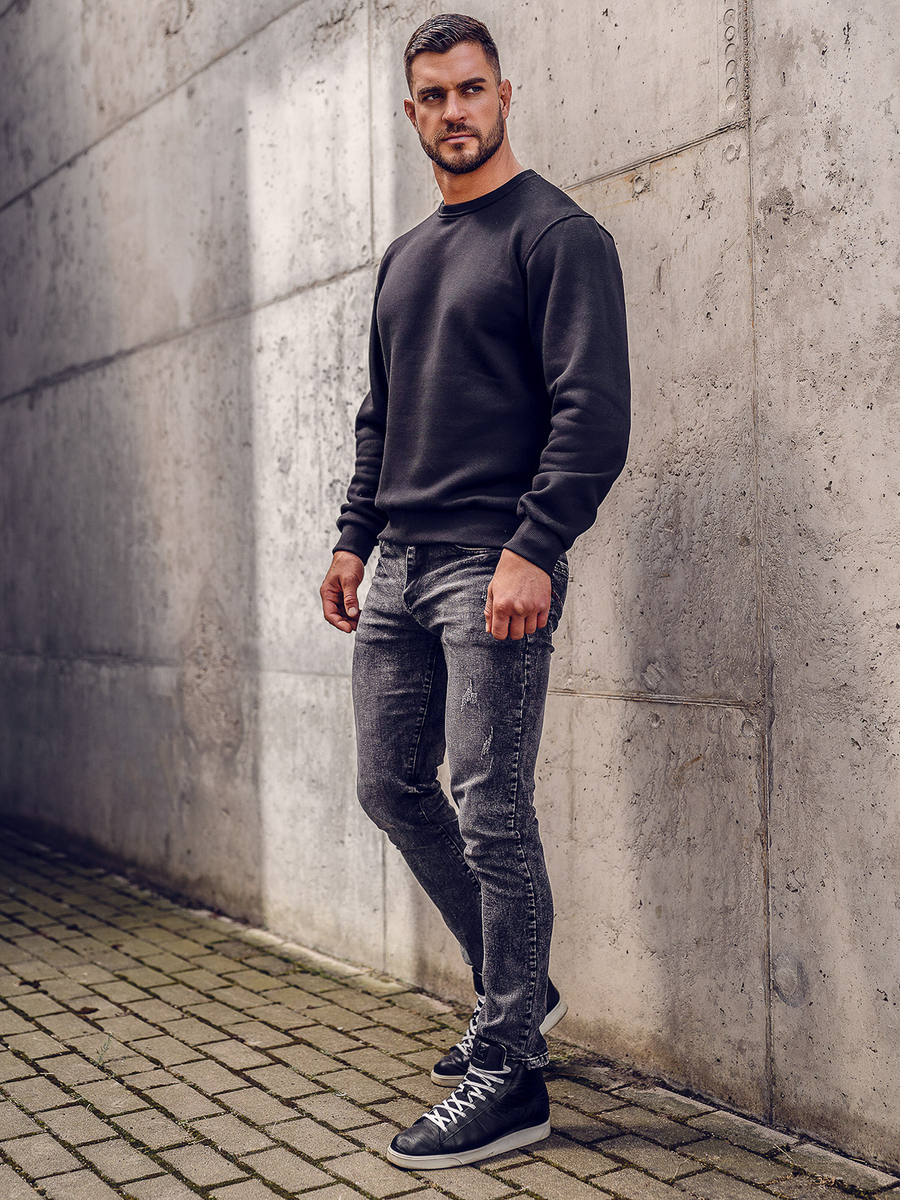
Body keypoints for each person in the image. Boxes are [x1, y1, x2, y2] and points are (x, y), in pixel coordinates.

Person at [319, 13, 630, 1170]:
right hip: (400, 564)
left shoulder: (557, 235)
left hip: (490, 563)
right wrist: (352, 541)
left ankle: (514, 1072)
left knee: (492, 805)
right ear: (413, 113)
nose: (454, 110)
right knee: (390, 787)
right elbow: (381, 417)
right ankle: (521, 992)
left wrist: (535, 547)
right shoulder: (405, 258)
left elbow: (593, 413)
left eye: (471, 89)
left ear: (505, 94)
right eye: (434, 96)